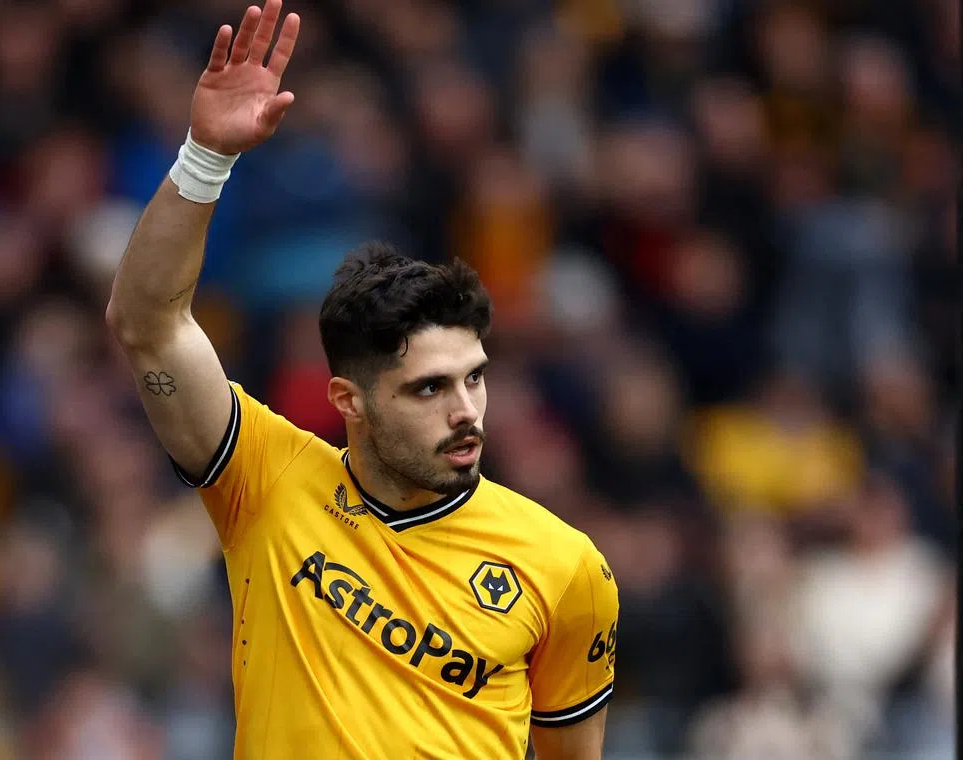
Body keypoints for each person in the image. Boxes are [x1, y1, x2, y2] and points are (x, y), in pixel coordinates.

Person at [106, 2, 618, 758]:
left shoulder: (565, 565)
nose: (466, 411)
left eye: (473, 379)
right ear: (350, 400)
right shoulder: (267, 483)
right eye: (428, 388)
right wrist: (206, 158)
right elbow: (148, 325)